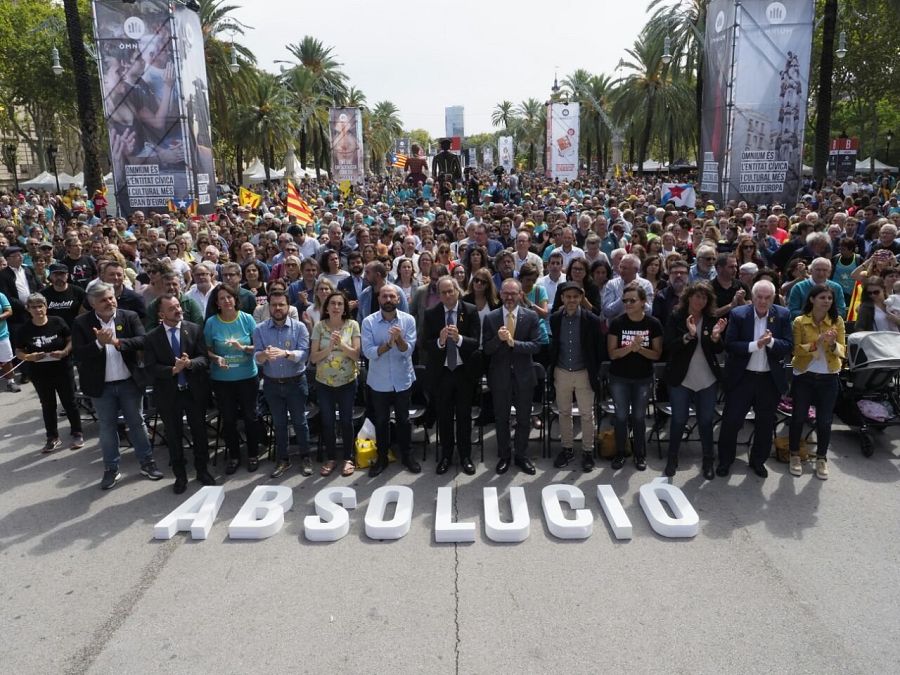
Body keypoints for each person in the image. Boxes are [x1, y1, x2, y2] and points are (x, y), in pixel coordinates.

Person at [72, 282, 163, 490]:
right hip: (101, 387)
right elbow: (78, 354)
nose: (109, 302)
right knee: (107, 427)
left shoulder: (128, 316)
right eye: (103, 299)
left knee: (137, 423)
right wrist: (98, 344)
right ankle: (111, 468)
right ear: (92, 303)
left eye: (111, 297)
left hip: (129, 383)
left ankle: (147, 462)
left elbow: (142, 340)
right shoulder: (81, 323)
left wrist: (118, 343)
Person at [716, 280, 793, 478]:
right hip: (742, 378)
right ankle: (725, 461)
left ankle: (758, 461)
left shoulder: (782, 314)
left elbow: (787, 345)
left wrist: (771, 342)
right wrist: (755, 345)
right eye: (759, 297)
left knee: (765, 424)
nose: (763, 301)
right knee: (731, 422)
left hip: (768, 380)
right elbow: (731, 345)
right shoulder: (739, 314)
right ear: (753, 297)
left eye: (767, 298)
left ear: (774, 298)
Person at [142, 294, 215, 493]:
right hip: (168, 394)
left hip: (193, 392)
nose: (178, 310)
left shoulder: (193, 329)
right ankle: (180, 476)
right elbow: (150, 368)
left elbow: (204, 359)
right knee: (174, 436)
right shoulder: (152, 337)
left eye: (178, 306)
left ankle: (202, 470)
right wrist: (172, 371)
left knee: (199, 433)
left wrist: (190, 364)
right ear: (161, 313)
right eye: (172, 308)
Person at [662, 281, 727, 480]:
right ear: (689, 296)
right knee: (679, 419)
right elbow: (668, 347)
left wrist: (716, 338)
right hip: (682, 378)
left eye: (704, 297)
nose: (700, 300)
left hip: (706, 378)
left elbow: (717, 350)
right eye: (697, 296)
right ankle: (672, 459)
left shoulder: (711, 318)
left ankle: (708, 461)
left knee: (706, 421)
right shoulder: (676, 317)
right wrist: (688, 336)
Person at [424, 276, 481, 475]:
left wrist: (459, 339)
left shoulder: (470, 311)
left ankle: (465, 455)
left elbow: (475, 343)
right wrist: (440, 342)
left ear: (458, 291)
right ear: (438, 295)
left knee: (464, 417)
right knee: (444, 417)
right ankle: (446, 455)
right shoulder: (432, 314)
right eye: (443, 292)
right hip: (442, 373)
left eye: (451, 291)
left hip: (464, 372)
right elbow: (426, 345)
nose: (448, 295)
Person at [483, 279, 541, 475]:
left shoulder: (531, 316)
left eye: (513, 293)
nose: (509, 297)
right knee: (501, 418)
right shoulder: (491, 318)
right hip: (500, 377)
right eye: (506, 293)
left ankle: (521, 456)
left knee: (524, 418)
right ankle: (505, 455)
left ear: (520, 295)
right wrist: (497, 340)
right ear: (500, 294)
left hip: (524, 376)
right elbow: (487, 350)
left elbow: (536, 346)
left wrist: (513, 342)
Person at [361, 284, 420, 477]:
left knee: (403, 419)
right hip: (379, 382)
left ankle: (407, 455)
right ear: (379, 299)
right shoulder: (369, 322)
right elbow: (369, 352)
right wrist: (388, 344)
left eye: (391, 296)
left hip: (403, 379)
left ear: (398, 299)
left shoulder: (408, 320)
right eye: (384, 296)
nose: (388, 300)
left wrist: (399, 340)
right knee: (381, 420)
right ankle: (382, 458)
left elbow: (409, 351)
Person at [789, 283, 846, 481]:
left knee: (824, 421)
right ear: (812, 299)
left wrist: (832, 344)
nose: (827, 301)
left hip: (829, 377)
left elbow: (842, 352)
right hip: (804, 375)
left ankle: (821, 458)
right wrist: (818, 341)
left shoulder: (837, 321)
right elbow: (796, 350)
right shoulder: (799, 321)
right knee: (798, 417)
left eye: (830, 298)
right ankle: (794, 454)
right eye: (822, 298)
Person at [254, 290, 313, 479]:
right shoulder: (260, 329)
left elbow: (304, 354)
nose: (277, 308)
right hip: (271, 384)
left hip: (296, 382)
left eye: (281, 305)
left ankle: (305, 456)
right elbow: (256, 356)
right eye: (274, 305)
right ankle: (283, 459)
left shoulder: (300, 328)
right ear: (268, 306)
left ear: (288, 307)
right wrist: (263, 356)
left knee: (300, 422)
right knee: (279, 424)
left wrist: (286, 353)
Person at [14, 293, 83, 452]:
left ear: (46, 307)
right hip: (39, 372)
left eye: (41, 306)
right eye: (34, 307)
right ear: (28, 309)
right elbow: (18, 351)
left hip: (62, 369)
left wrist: (65, 352)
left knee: (70, 402)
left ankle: (77, 432)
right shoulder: (24, 329)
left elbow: (70, 339)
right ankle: (52, 437)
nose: (38, 310)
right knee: (47, 404)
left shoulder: (57, 321)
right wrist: (29, 357)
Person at [606, 282, 663, 471]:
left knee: (638, 417)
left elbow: (656, 355)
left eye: (632, 300)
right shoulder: (618, 323)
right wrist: (631, 348)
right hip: (619, 378)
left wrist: (640, 350)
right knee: (621, 417)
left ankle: (640, 454)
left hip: (642, 379)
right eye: (625, 301)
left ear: (643, 302)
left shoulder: (653, 324)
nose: (628, 304)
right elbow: (612, 354)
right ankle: (621, 453)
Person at [204, 284, 260, 474]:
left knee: (250, 417)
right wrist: (215, 358)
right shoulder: (211, 322)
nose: (226, 301)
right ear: (217, 303)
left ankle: (253, 454)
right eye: (222, 298)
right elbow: (207, 349)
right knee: (228, 420)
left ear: (235, 299)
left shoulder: (247, 319)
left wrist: (243, 348)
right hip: (222, 380)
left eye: (229, 297)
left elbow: (259, 348)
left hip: (247, 377)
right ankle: (234, 456)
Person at [549, 282, 603, 472]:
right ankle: (567, 449)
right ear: (562, 298)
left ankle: (588, 451)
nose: (571, 300)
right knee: (564, 413)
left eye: (575, 296)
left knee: (587, 415)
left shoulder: (592, 320)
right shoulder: (555, 318)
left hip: (584, 373)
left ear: (581, 298)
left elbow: (598, 349)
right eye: (568, 296)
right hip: (562, 371)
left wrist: (594, 372)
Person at [310, 291, 361, 477]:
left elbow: (356, 355)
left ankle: (348, 457)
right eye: (333, 303)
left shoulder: (352, 325)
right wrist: (330, 347)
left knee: (346, 421)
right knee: (328, 421)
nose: (336, 307)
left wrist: (342, 344)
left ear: (345, 307)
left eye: (340, 304)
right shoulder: (319, 327)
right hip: (324, 383)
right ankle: (331, 457)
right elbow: (313, 358)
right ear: (327, 307)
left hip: (347, 382)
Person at [41, 263, 85, 328]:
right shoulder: (43, 294)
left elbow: (85, 313)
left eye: (62, 274)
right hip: (53, 331)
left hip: (74, 329)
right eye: (55, 275)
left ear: (67, 275)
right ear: (50, 276)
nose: (59, 277)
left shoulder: (78, 292)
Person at [0, 290, 20, 392]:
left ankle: (11, 382)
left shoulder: (1, 295)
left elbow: (9, 311)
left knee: (6, 360)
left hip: (2, 335)